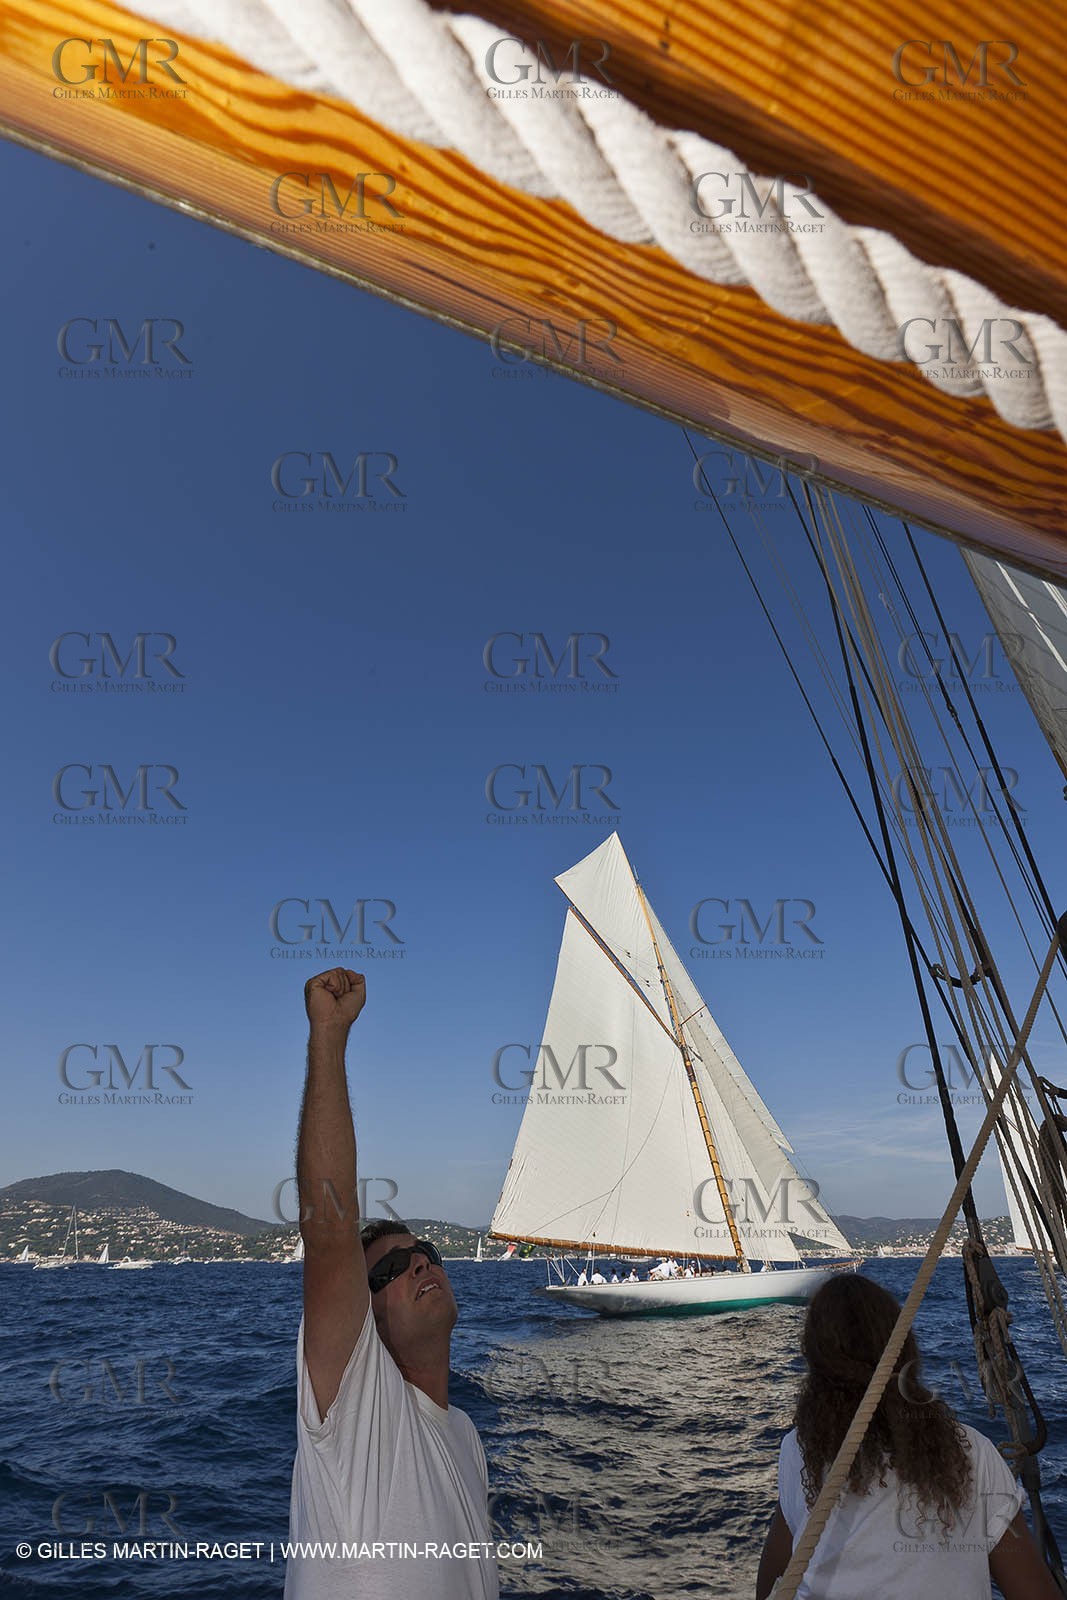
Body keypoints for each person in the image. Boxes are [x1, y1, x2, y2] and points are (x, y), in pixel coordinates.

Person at [285, 968, 499, 1600]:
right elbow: (330, 1227)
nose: (418, 1265)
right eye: (388, 1269)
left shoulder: (465, 1436)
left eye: (423, 1253)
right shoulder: (360, 1414)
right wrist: (329, 1038)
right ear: (364, 1320)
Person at [756, 1274, 1059, 1600]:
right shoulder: (973, 1452)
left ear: (814, 1359)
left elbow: (774, 1572)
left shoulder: (799, 1450)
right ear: (903, 1349)